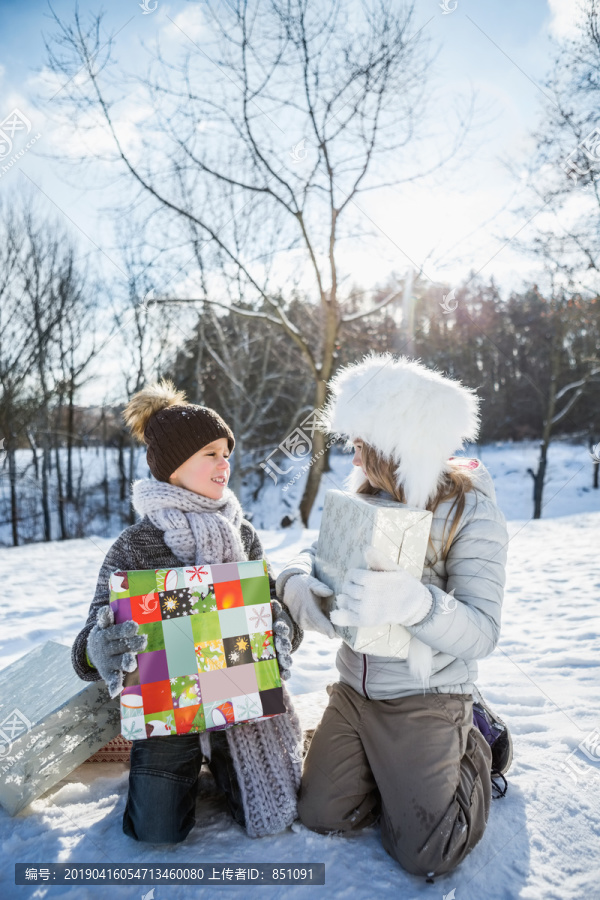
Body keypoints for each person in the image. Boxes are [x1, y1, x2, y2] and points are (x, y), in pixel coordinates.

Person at [276, 353, 512, 881]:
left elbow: (481, 633)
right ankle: (396, 773)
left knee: (429, 852)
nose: (354, 460)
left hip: (426, 697)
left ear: (399, 445)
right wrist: (298, 585)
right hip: (355, 691)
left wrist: (415, 604)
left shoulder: (471, 514)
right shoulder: (364, 495)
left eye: (362, 446)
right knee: (322, 815)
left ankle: (477, 738)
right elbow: (309, 556)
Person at [71, 380, 303, 843]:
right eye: (210, 453)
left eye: (226, 452)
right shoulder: (136, 544)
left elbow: (274, 615)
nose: (225, 463)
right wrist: (100, 647)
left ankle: (221, 761)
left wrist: (281, 628)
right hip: (165, 716)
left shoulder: (244, 534)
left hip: (239, 705)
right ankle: (176, 769)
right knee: (156, 831)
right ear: (175, 466)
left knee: (274, 816)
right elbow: (84, 651)